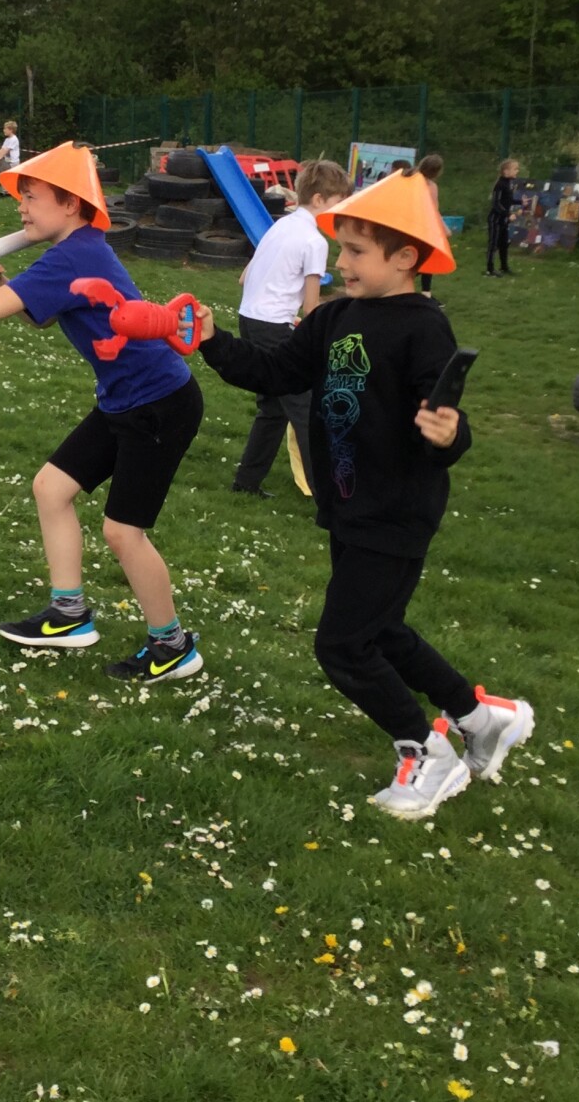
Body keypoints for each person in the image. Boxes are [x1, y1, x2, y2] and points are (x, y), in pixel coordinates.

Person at [192, 165, 534, 819]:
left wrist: (448, 433)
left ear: (405, 257)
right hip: (349, 505)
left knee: (344, 646)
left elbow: (446, 422)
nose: (340, 262)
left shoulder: (423, 328)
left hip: (397, 510)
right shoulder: (334, 318)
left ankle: (427, 753)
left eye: (355, 250)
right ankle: (480, 717)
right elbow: (274, 370)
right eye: (340, 247)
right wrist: (213, 340)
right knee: (383, 631)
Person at [0, 142, 206, 685]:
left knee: (123, 532)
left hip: (158, 403)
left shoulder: (74, 255)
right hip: (124, 398)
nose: (21, 208)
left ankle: (173, 646)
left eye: (31, 197)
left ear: (71, 204)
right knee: (51, 488)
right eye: (20, 198)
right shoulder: (76, 250)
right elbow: (35, 312)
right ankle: (68, 614)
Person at [230, 158, 348, 499]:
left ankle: (246, 482)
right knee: (307, 409)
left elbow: (244, 278)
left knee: (274, 407)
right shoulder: (315, 241)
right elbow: (311, 309)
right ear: (319, 200)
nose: (340, 209)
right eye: (338, 201)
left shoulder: (280, 225)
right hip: (272, 328)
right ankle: (328, 497)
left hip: (249, 320)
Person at [414, 154, 444, 294]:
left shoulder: (412, 180)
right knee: (425, 258)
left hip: (411, 224)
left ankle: (425, 292)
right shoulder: (431, 186)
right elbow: (434, 209)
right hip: (424, 226)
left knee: (417, 256)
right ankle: (426, 292)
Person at [485, 159, 518, 277]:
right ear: (506, 171)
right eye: (515, 169)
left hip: (503, 220)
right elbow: (496, 203)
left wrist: (521, 202)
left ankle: (504, 267)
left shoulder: (509, 184)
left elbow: (508, 200)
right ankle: (489, 269)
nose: (517, 171)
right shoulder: (500, 184)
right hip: (495, 219)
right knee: (493, 244)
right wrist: (508, 214)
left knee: (504, 243)